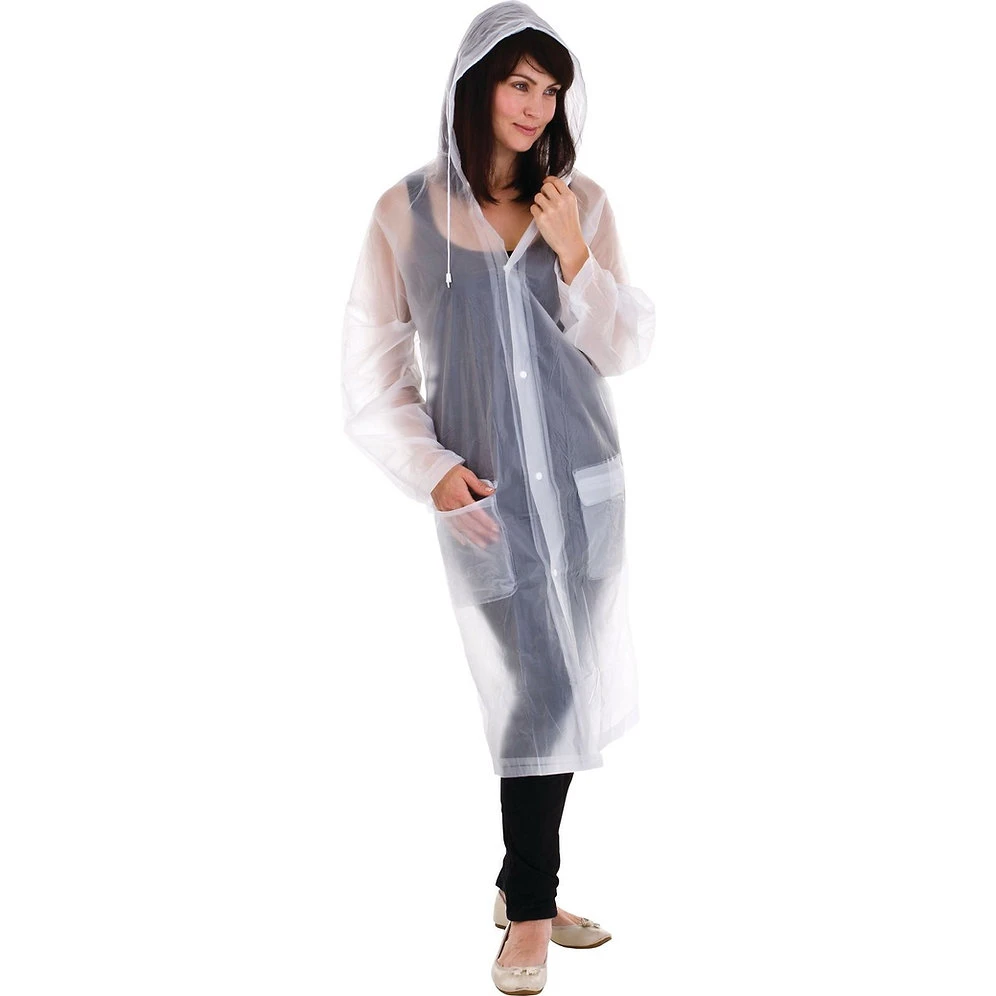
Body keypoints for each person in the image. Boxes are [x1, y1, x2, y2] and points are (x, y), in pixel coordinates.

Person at [340, 3, 655, 991]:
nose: (536, 106)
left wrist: (576, 253)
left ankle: (525, 889)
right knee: (541, 691)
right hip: (483, 500)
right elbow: (374, 375)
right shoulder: (403, 213)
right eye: (520, 83)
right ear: (478, 85)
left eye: (551, 90)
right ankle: (529, 910)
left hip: (586, 488)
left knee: (554, 691)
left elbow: (623, 347)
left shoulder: (580, 202)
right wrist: (431, 468)